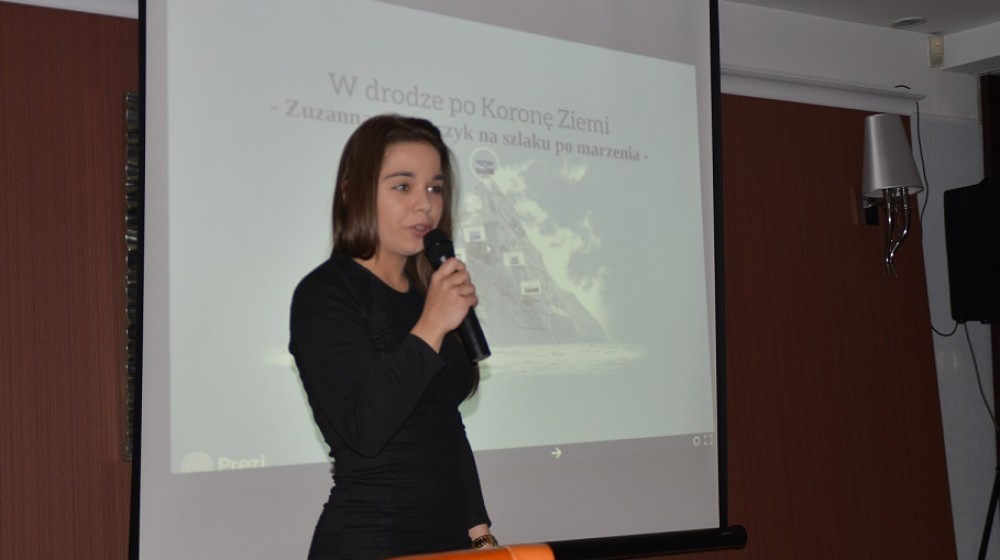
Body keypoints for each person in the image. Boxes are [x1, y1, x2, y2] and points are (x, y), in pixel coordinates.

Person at [289, 114, 496, 559]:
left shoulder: (426, 293)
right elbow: (365, 427)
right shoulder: (325, 294)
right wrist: (432, 324)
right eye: (403, 186)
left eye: (435, 188)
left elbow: (444, 423)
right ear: (352, 193)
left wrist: (480, 537)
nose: (425, 204)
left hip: (452, 544)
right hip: (370, 539)